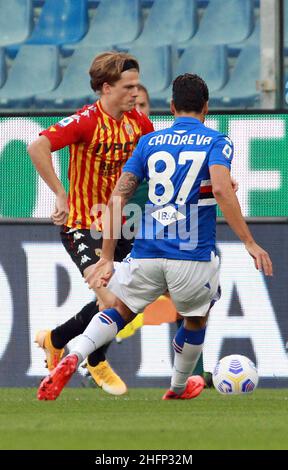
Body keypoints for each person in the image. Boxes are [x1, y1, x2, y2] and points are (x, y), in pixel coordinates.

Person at [37, 73, 273, 401]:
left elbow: (118, 197)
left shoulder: (149, 142)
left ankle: (73, 356)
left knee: (118, 310)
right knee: (195, 318)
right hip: (191, 255)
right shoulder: (217, 141)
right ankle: (178, 387)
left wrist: (106, 257)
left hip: (145, 252)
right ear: (206, 107)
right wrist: (248, 240)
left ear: (172, 107)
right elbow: (220, 188)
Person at [28, 51, 154, 396]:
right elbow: (37, 147)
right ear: (105, 87)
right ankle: (95, 360)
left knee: (127, 302)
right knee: (111, 300)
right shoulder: (85, 121)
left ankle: (56, 340)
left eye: (136, 86)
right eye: (128, 87)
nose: (135, 93)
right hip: (82, 223)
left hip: (120, 225)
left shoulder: (138, 124)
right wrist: (60, 194)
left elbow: (154, 164)